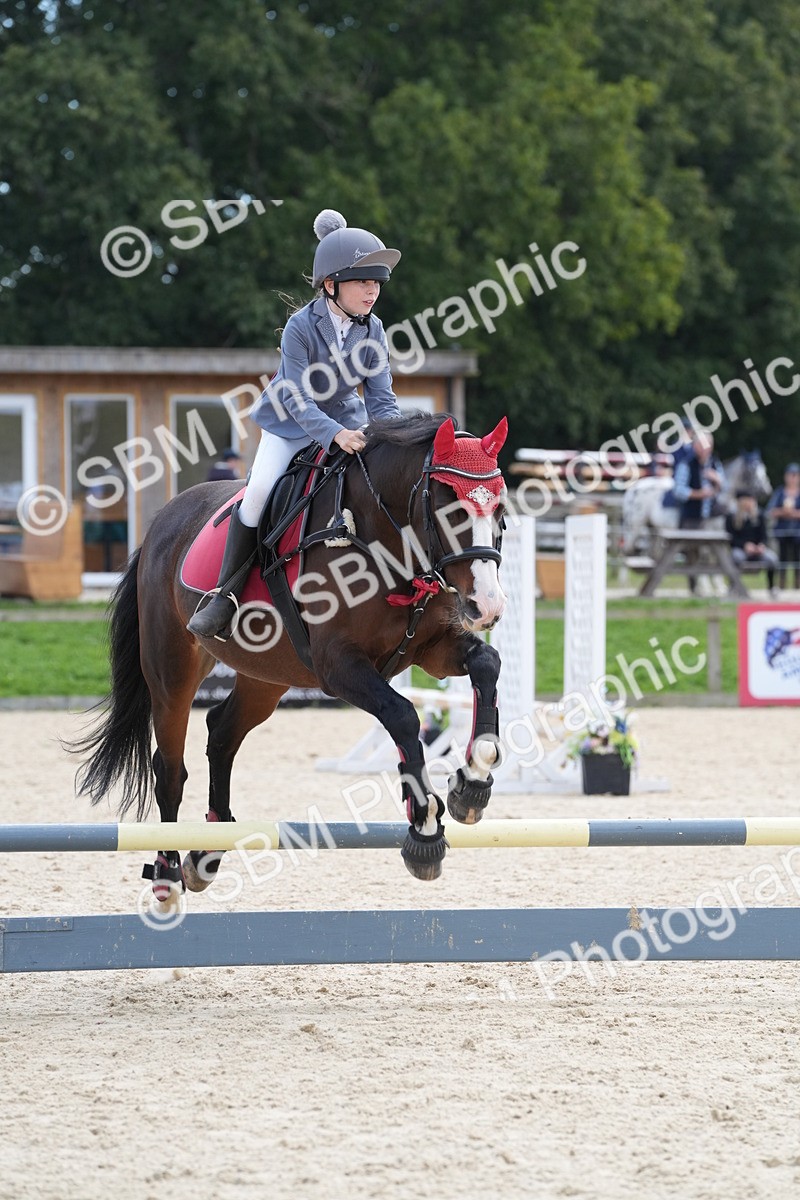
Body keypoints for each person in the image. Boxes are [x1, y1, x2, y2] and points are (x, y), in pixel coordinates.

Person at [187, 208, 403, 639]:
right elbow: (298, 396)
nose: (372, 291)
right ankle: (225, 595)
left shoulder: (374, 329)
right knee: (258, 494)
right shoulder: (299, 327)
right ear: (330, 284)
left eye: (377, 282)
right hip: (291, 425)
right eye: (363, 281)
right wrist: (335, 435)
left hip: (347, 422)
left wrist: (391, 440)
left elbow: (380, 396)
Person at [671, 431, 726, 594]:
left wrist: (717, 480)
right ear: (695, 446)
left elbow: (726, 488)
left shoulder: (715, 464)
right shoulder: (686, 464)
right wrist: (698, 494)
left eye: (708, 445)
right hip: (692, 516)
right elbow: (678, 490)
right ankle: (695, 587)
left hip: (712, 516)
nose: (706, 449)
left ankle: (717, 583)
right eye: (702, 445)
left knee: (715, 551)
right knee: (693, 552)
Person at [725, 490, 779, 595]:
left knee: (772, 559)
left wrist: (761, 546)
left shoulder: (759, 516)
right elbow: (731, 538)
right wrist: (745, 546)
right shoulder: (731, 517)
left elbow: (764, 536)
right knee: (736, 557)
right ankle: (734, 585)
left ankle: (772, 587)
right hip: (741, 548)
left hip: (757, 550)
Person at [766, 463, 800, 589]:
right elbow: (770, 511)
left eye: (795, 475)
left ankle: (798, 585)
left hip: (797, 532)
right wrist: (783, 512)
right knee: (782, 558)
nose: (792, 478)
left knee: (798, 558)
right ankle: (781, 584)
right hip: (782, 532)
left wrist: (793, 513)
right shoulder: (779, 493)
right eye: (790, 475)